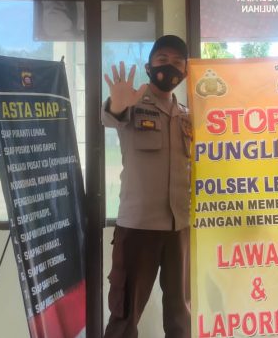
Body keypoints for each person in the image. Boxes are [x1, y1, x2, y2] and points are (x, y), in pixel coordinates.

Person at [101, 35, 192, 338]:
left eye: (177, 62)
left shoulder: (187, 116)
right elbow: (112, 115)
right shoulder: (133, 103)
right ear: (149, 66)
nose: (170, 67)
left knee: (182, 315)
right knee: (125, 317)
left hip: (180, 228)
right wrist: (118, 102)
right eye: (162, 60)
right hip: (138, 228)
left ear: (186, 71)